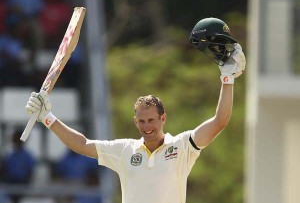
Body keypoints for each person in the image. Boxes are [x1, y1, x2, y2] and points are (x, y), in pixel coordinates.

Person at [24, 18, 246, 203]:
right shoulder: (124, 151)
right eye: (142, 121)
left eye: (151, 120)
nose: (146, 126)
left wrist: (227, 79)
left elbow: (220, 122)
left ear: (163, 119)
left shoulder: (182, 146)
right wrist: (47, 118)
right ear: (135, 122)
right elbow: (82, 144)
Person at [1, 128, 37, 203]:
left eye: (16, 137)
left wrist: (26, 186)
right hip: (9, 183)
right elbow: (4, 170)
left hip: (23, 184)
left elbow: (30, 173)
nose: (13, 139)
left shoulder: (28, 156)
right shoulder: (9, 155)